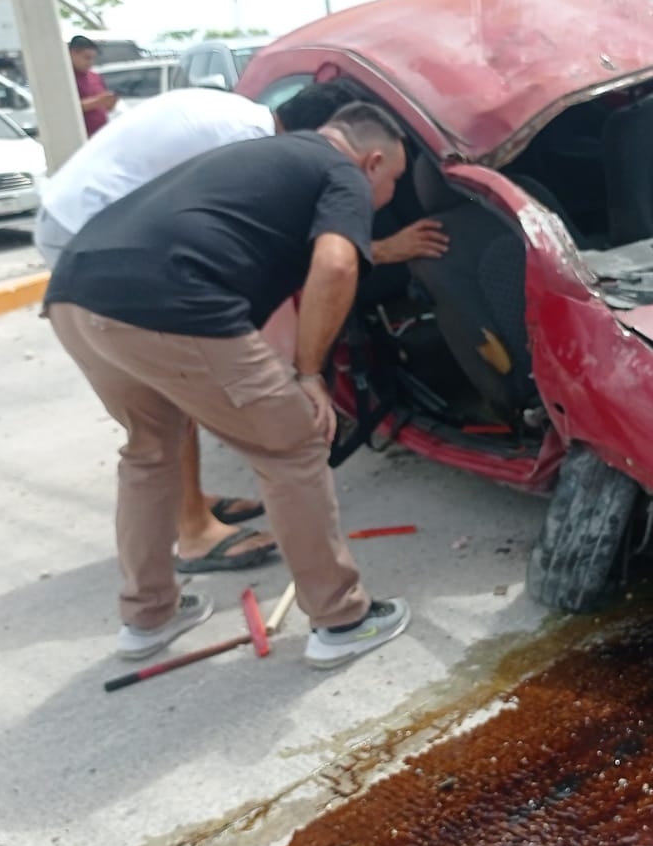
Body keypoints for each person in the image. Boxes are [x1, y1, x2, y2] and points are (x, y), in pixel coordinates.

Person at [44, 102, 415, 668]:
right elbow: (336, 267)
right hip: (169, 300)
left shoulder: (258, 155)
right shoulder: (338, 172)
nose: (390, 193)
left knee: (150, 452)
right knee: (292, 445)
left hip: (75, 290)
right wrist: (310, 375)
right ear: (374, 160)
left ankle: (148, 618)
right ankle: (342, 620)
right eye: (394, 179)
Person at [68, 35, 117, 138]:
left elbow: (106, 108)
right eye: (87, 58)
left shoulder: (95, 76)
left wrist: (110, 102)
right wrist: (97, 101)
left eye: (92, 58)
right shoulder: (66, 78)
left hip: (102, 133)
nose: (90, 62)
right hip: (81, 137)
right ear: (73, 54)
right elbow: (67, 107)